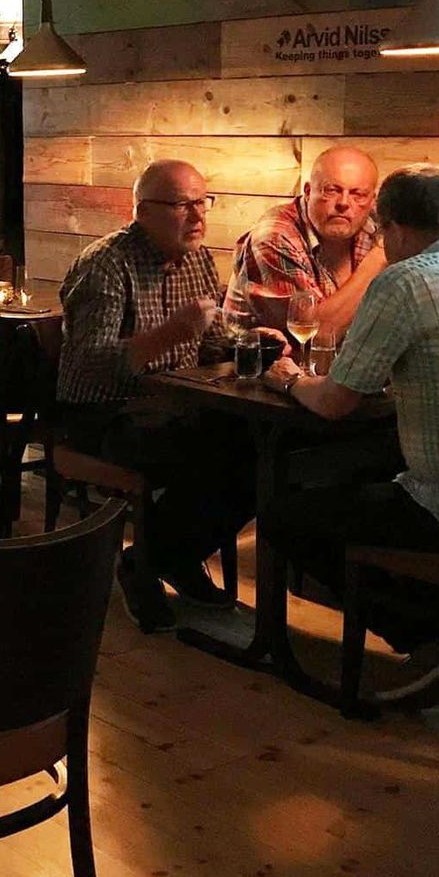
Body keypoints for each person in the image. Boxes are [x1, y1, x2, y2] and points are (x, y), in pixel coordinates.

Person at [259, 165, 439, 706]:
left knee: (284, 517)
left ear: (390, 227)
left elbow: (333, 403)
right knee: (374, 467)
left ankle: (437, 639)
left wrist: (289, 378)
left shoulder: (403, 280)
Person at [57, 159, 262, 633]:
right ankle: (151, 563)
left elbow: (207, 344)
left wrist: (246, 341)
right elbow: (88, 364)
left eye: (202, 202)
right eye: (182, 205)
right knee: (211, 458)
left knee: (257, 451)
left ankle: (167, 556)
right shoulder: (106, 264)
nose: (198, 216)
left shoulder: (198, 258)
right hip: (100, 414)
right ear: (143, 211)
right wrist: (171, 333)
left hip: (172, 405)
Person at [224, 146, 385, 336]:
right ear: (308, 191)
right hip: (258, 362)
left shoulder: (378, 223)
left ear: (372, 200)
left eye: (358, 194)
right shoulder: (274, 236)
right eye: (331, 190)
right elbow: (317, 335)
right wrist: (380, 257)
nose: (344, 203)